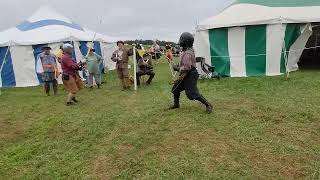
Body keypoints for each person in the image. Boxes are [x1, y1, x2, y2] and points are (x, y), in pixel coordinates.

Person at [169, 32, 213, 114]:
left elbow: (187, 68)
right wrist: (179, 66)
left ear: (186, 41)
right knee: (175, 89)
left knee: (192, 93)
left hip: (190, 74)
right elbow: (186, 64)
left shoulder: (188, 53)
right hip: (187, 73)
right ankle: (176, 104)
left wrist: (177, 68)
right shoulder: (187, 51)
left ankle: (208, 105)